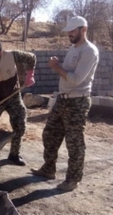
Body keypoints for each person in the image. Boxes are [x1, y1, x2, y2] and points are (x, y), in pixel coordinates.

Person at [31, 16, 99, 191]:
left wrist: (56, 67)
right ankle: (48, 169)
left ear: (83, 29)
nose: (69, 34)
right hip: (63, 99)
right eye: (68, 31)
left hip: (78, 102)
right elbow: (68, 73)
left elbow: (76, 79)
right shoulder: (74, 48)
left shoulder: (89, 51)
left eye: (72, 31)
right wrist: (59, 66)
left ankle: (72, 180)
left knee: (74, 142)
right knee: (50, 134)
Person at [0, 39, 36, 166]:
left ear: (0, 52)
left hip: (13, 97)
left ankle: (14, 155)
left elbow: (31, 57)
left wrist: (30, 74)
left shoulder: (12, 55)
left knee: (19, 124)